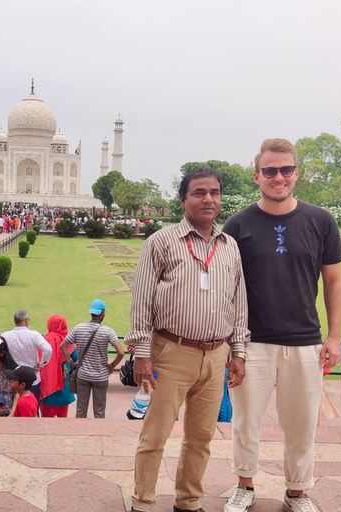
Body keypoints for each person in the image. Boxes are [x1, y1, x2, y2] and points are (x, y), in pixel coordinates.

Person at [222, 139, 341, 512]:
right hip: (252, 342)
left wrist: (335, 336)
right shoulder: (239, 224)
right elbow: (227, 288)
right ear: (257, 175)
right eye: (271, 171)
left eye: (286, 170)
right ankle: (245, 485)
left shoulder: (320, 221)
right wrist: (232, 344)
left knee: (302, 424)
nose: (279, 177)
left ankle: (297, 491)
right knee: (245, 422)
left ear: (296, 173)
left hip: (304, 340)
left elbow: (334, 281)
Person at [127, 167, 249, 512]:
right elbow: (142, 302)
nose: (208, 198)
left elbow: (238, 304)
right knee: (155, 436)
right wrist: (142, 353)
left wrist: (238, 351)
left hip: (215, 356)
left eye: (214, 192)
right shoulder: (162, 242)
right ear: (183, 200)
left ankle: (189, 501)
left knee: (201, 438)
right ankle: (143, 502)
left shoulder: (229, 247)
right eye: (199, 192)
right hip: (171, 352)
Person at [62, 300, 124, 418]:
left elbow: (62, 346)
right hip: (100, 376)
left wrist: (71, 362)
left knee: (80, 410)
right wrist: (112, 366)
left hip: (83, 375)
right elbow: (121, 352)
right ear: (102, 313)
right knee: (99, 412)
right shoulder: (108, 331)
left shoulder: (78, 328)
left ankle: (80, 434)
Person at [1, 309, 52, 406]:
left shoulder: (5, 335)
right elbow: (48, 349)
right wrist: (41, 365)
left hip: (13, 379)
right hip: (31, 380)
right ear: (26, 321)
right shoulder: (34, 335)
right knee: (32, 408)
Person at [40, 314, 75, 418]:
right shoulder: (68, 342)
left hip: (48, 388)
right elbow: (76, 358)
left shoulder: (44, 340)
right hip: (64, 388)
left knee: (46, 422)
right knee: (62, 423)